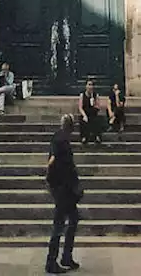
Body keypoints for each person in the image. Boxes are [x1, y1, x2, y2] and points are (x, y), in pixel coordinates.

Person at [45, 114, 82, 273]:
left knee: (72, 220)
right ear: (70, 126)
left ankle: (66, 256)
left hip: (66, 190)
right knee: (59, 225)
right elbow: (53, 162)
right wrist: (52, 182)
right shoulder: (62, 141)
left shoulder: (59, 138)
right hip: (63, 190)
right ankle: (51, 261)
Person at [78, 80, 105, 145]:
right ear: (86, 86)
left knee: (96, 120)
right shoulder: (82, 95)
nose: (90, 87)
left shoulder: (96, 95)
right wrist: (84, 115)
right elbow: (80, 107)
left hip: (93, 113)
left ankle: (97, 136)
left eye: (91, 85)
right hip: (85, 113)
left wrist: (94, 103)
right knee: (83, 120)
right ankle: (84, 137)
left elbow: (98, 107)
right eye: (89, 85)